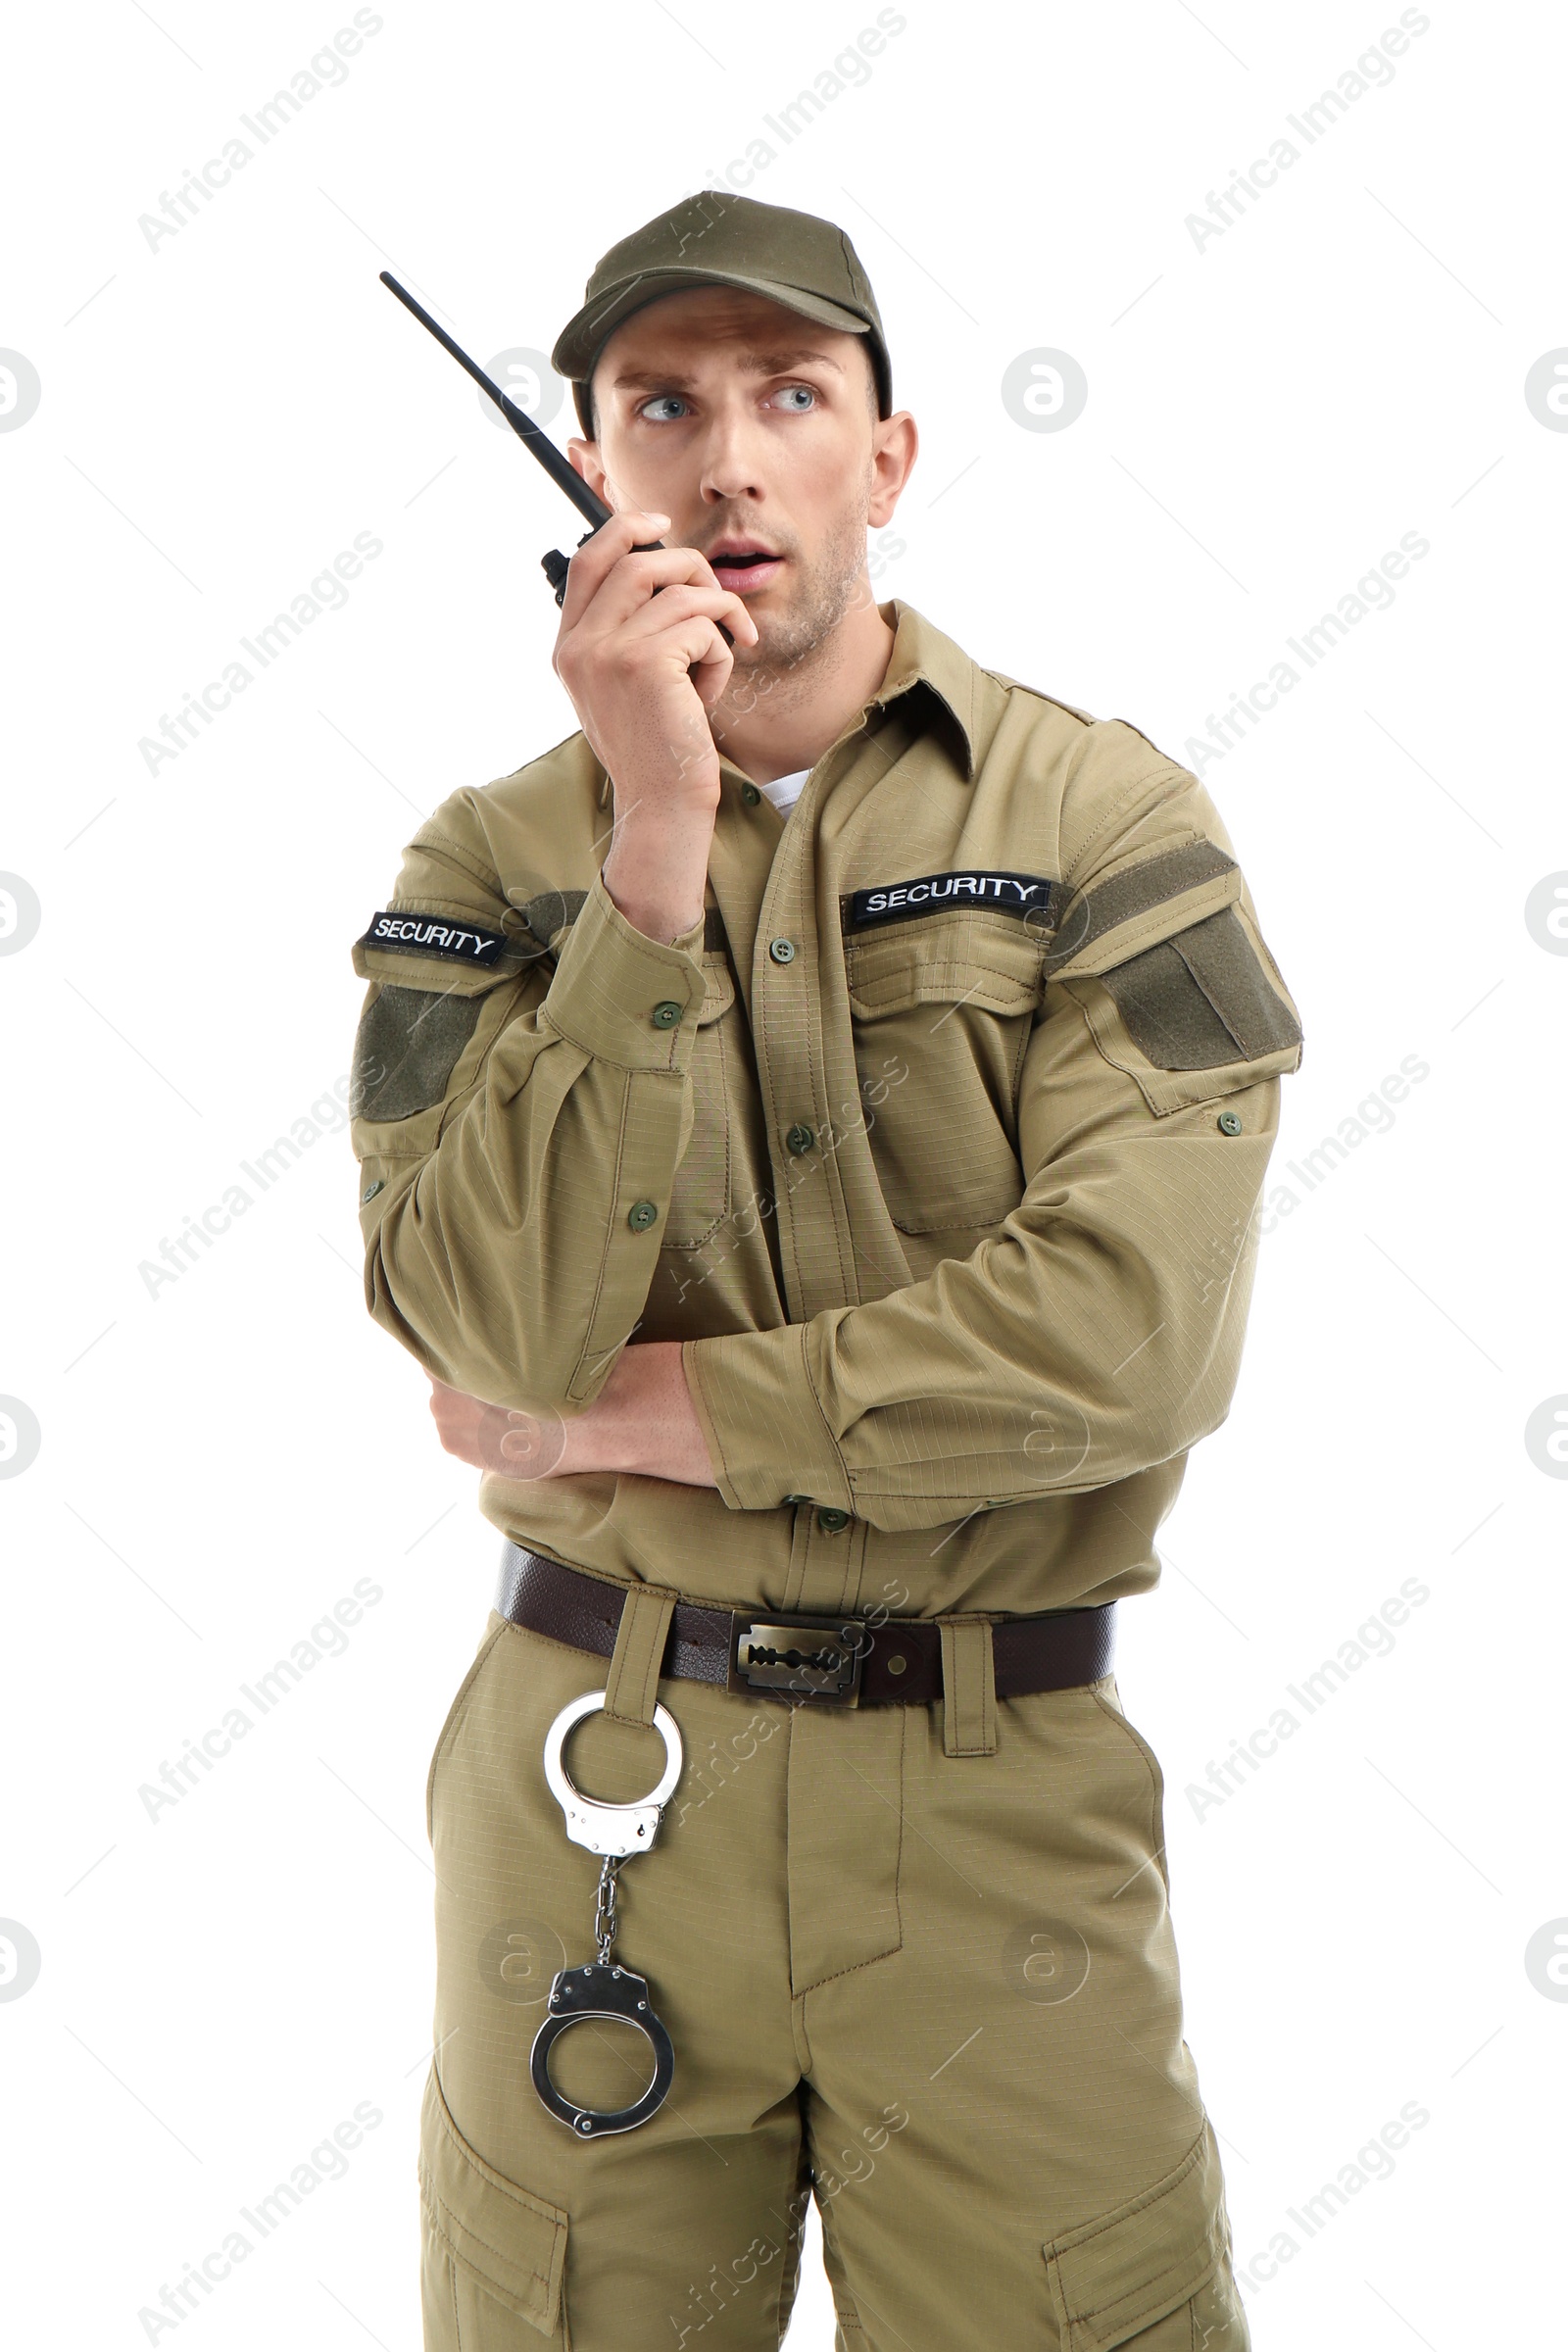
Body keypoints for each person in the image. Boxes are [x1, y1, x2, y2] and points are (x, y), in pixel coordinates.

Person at [348, 189, 1302, 2351]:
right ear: (591, 469)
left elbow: (1125, 1340)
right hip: (593, 1779)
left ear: (884, 458)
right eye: (658, 404)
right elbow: (487, 1318)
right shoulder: (488, 865)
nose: (726, 461)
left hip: (999, 1810)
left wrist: (630, 1415)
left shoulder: (1100, 823)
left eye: (789, 396)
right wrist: (650, 844)